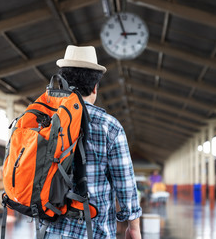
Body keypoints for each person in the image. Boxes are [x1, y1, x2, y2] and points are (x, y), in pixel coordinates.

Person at [44, 45, 142, 239]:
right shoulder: (109, 126)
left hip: (49, 230)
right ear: (95, 87)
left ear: (62, 83)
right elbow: (125, 183)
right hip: (93, 231)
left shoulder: (45, 120)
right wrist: (133, 226)